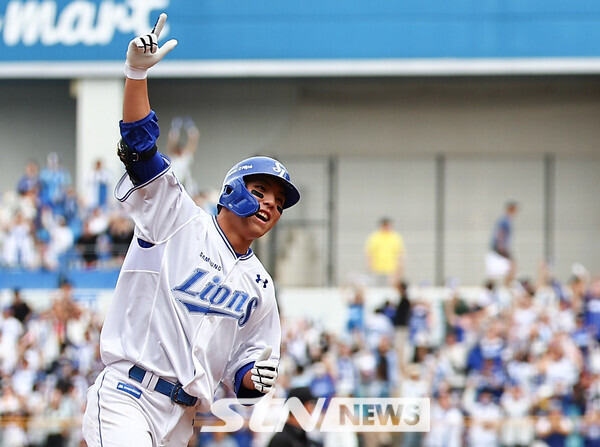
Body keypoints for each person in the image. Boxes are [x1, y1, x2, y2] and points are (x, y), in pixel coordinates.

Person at [82, 13, 300, 447]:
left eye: (278, 202)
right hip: (130, 394)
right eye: (260, 192)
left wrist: (253, 380)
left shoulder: (260, 286)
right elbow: (141, 151)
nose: (270, 204)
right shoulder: (179, 219)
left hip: (184, 419)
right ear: (230, 192)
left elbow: (247, 371)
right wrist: (136, 75)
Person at [364, 217, 405, 287]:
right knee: (377, 287)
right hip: (377, 268)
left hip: (391, 269)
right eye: (385, 225)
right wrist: (370, 264)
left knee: (391, 287)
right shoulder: (375, 237)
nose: (387, 227)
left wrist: (400, 266)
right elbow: (370, 252)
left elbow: (400, 253)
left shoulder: (395, 237)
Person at [485, 200, 518, 282]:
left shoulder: (506, 220)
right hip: (500, 247)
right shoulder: (505, 220)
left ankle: (506, 284)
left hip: (500, 247)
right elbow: (500, 233)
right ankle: (507, 285)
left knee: (508, 267)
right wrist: (501, 246)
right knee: (512, 266)